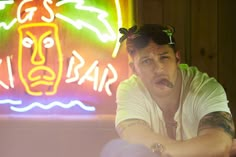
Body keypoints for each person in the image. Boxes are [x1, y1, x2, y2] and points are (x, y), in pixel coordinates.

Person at [114, 24, 235, 157]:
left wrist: (160, 150)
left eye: (164, 58)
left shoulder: (204, 87)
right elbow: (133, 136)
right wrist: (201, 148)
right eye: (147, 61)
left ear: (177, 58)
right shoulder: (130, 89)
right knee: (115, 149)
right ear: (134, 69)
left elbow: (219, 144)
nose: (158, 69)